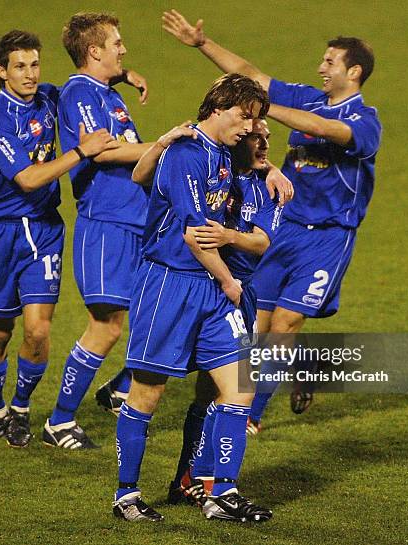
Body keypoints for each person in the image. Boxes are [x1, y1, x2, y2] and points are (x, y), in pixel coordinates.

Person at [163, 10, 382, 429]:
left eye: (330, 61)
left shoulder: (365, 122)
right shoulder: (308, 96)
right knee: (257, 321)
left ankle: (252, 415)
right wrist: (201, 43)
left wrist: (264, 108)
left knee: (283, 323)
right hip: (285, 227)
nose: (321, 67)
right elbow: (251, 74)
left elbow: (323, 128)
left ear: (353, 72)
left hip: (328, 238)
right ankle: (302, 365)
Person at [112, 73, 273, 523]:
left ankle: (221, 493)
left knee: (239, 386)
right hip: (169, 283)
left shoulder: (219, 153)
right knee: (147, 393)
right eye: (244, 117)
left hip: (208, 288)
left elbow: (255, 157)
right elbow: (194, 235)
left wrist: (272, 166)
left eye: (254, 120)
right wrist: (229, 283)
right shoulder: (186, 154)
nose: (248, 128)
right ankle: (126, 495)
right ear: (218, 108)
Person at [0, 30, 117, 448]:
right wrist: (81, 152)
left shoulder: (50, 98)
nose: (30, 74)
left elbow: (80, 83)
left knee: (37, 330)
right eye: (20, 66)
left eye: (35, 64)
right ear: (2, 71)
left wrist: (124, 74)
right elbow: (30, 178)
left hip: (45, 232)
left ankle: (19, 409)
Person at [42, 13, 157, 450]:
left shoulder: (104, 91)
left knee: (157, 313)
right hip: (106, 224)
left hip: (135, 220)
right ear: (94, 51)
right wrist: (169, 143)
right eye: (117, 44)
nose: (123, 49)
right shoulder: (80, 93)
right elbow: (105, 152)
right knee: (106, 326)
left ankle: (119, 389)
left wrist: (124, 74)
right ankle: (60, 422)